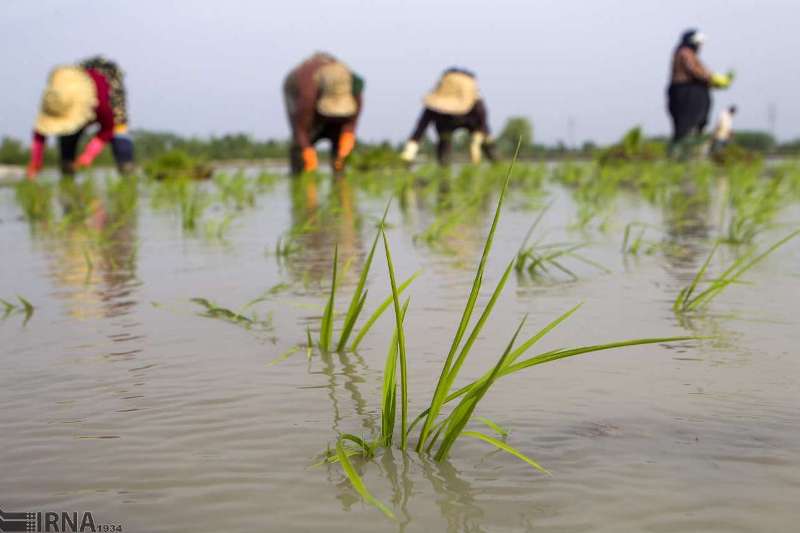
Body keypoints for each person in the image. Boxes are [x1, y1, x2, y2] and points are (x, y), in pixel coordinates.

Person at [26, 56, 134, 179]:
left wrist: (87, 156)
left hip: (106, 94)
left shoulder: (104, 104)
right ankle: (67, 175)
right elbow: (40, 132)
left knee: (119, 132)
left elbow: (108, 129)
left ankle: (127, 173)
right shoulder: (53, 99)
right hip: (79, 88)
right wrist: (35, 162)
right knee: (67, 136)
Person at [283, 52, 364, 176]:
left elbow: (352, 119)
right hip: (308, 118)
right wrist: (307, 152)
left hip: (338, 122)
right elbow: (300, 129)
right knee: (300, 155)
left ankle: (340, 179)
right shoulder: (306, 93)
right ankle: (300, 176)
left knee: (341, 157)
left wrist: (348, 134)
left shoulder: (354, 85)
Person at [401, 68, 496, 165]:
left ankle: (497, 164)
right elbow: (420, 129)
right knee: (444, 147)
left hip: (474, 126)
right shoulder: (434, 107)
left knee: (488, 145)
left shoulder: (476, 105)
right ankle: (444, 172)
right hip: (445, 127)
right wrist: (409, 153)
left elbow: (483, 126)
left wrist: (476, 143)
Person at [666, 30, 733, 159]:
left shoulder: (690, 55)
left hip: (693, 92)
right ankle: (679, 155)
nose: (701, 47)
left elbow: (702, 74)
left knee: (697, 123)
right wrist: (713, 78)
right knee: (685, 125)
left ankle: (689, 154)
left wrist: (716, 82)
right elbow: (695, 71)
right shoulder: (684, 53)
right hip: (686, 94)